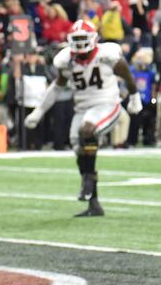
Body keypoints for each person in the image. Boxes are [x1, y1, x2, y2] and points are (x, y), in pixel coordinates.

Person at [26, 20, 143, 217]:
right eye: (77, 39)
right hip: (82, 109)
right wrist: (39, 111)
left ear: (94, 38)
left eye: (83, 38)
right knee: (80, 150)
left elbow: (128, 76)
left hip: (107, 104)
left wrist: (134, 98)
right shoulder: (66, 60)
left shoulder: (108, 55)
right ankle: (94, 203)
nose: (80, 43)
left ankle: (88, 180)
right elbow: (57, 87)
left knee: (87, 130)